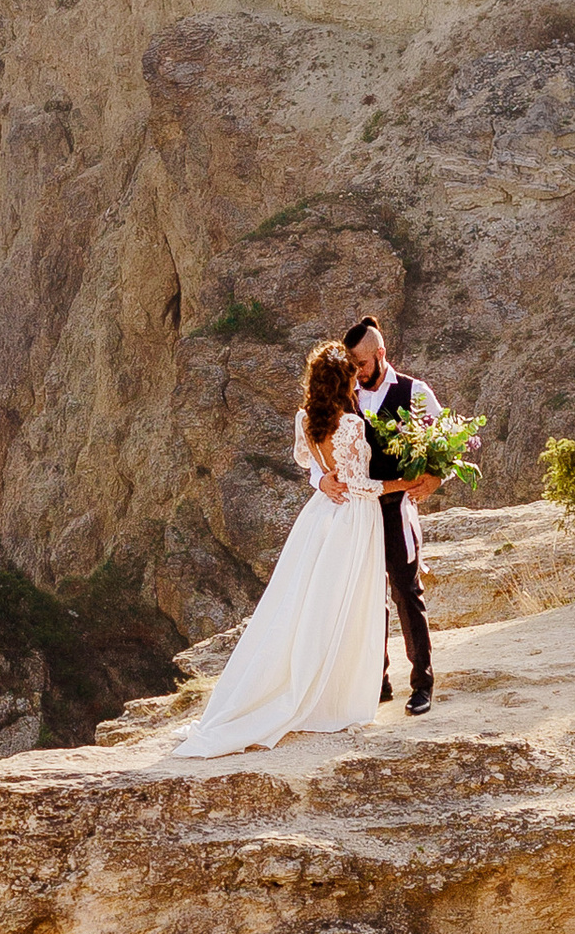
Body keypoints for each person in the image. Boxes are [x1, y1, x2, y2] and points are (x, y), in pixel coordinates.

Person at [172, 341, 413, 757]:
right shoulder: (353, 425)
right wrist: (405, 482)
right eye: (352, 373)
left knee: (309, 602)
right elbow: (359, 484)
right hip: (354, 519)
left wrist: (323, 481)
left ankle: (317, 684)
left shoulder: (305, 420)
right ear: (343, 380)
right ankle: (331, 698)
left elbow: (309, 463)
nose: (358, 377)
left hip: (320, 517)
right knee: (349, 604)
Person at [346, 318, 443, 715]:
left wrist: (435, 479)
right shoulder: (345, 394)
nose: (357, 372)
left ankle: (422, 684)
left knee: (406, 594)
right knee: (368, 599)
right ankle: (377, 682)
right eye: (352, 365)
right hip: (356, 513)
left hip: (395, 510)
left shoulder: (414, 392)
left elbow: (444, 445)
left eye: (362, 364)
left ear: (381, 355)